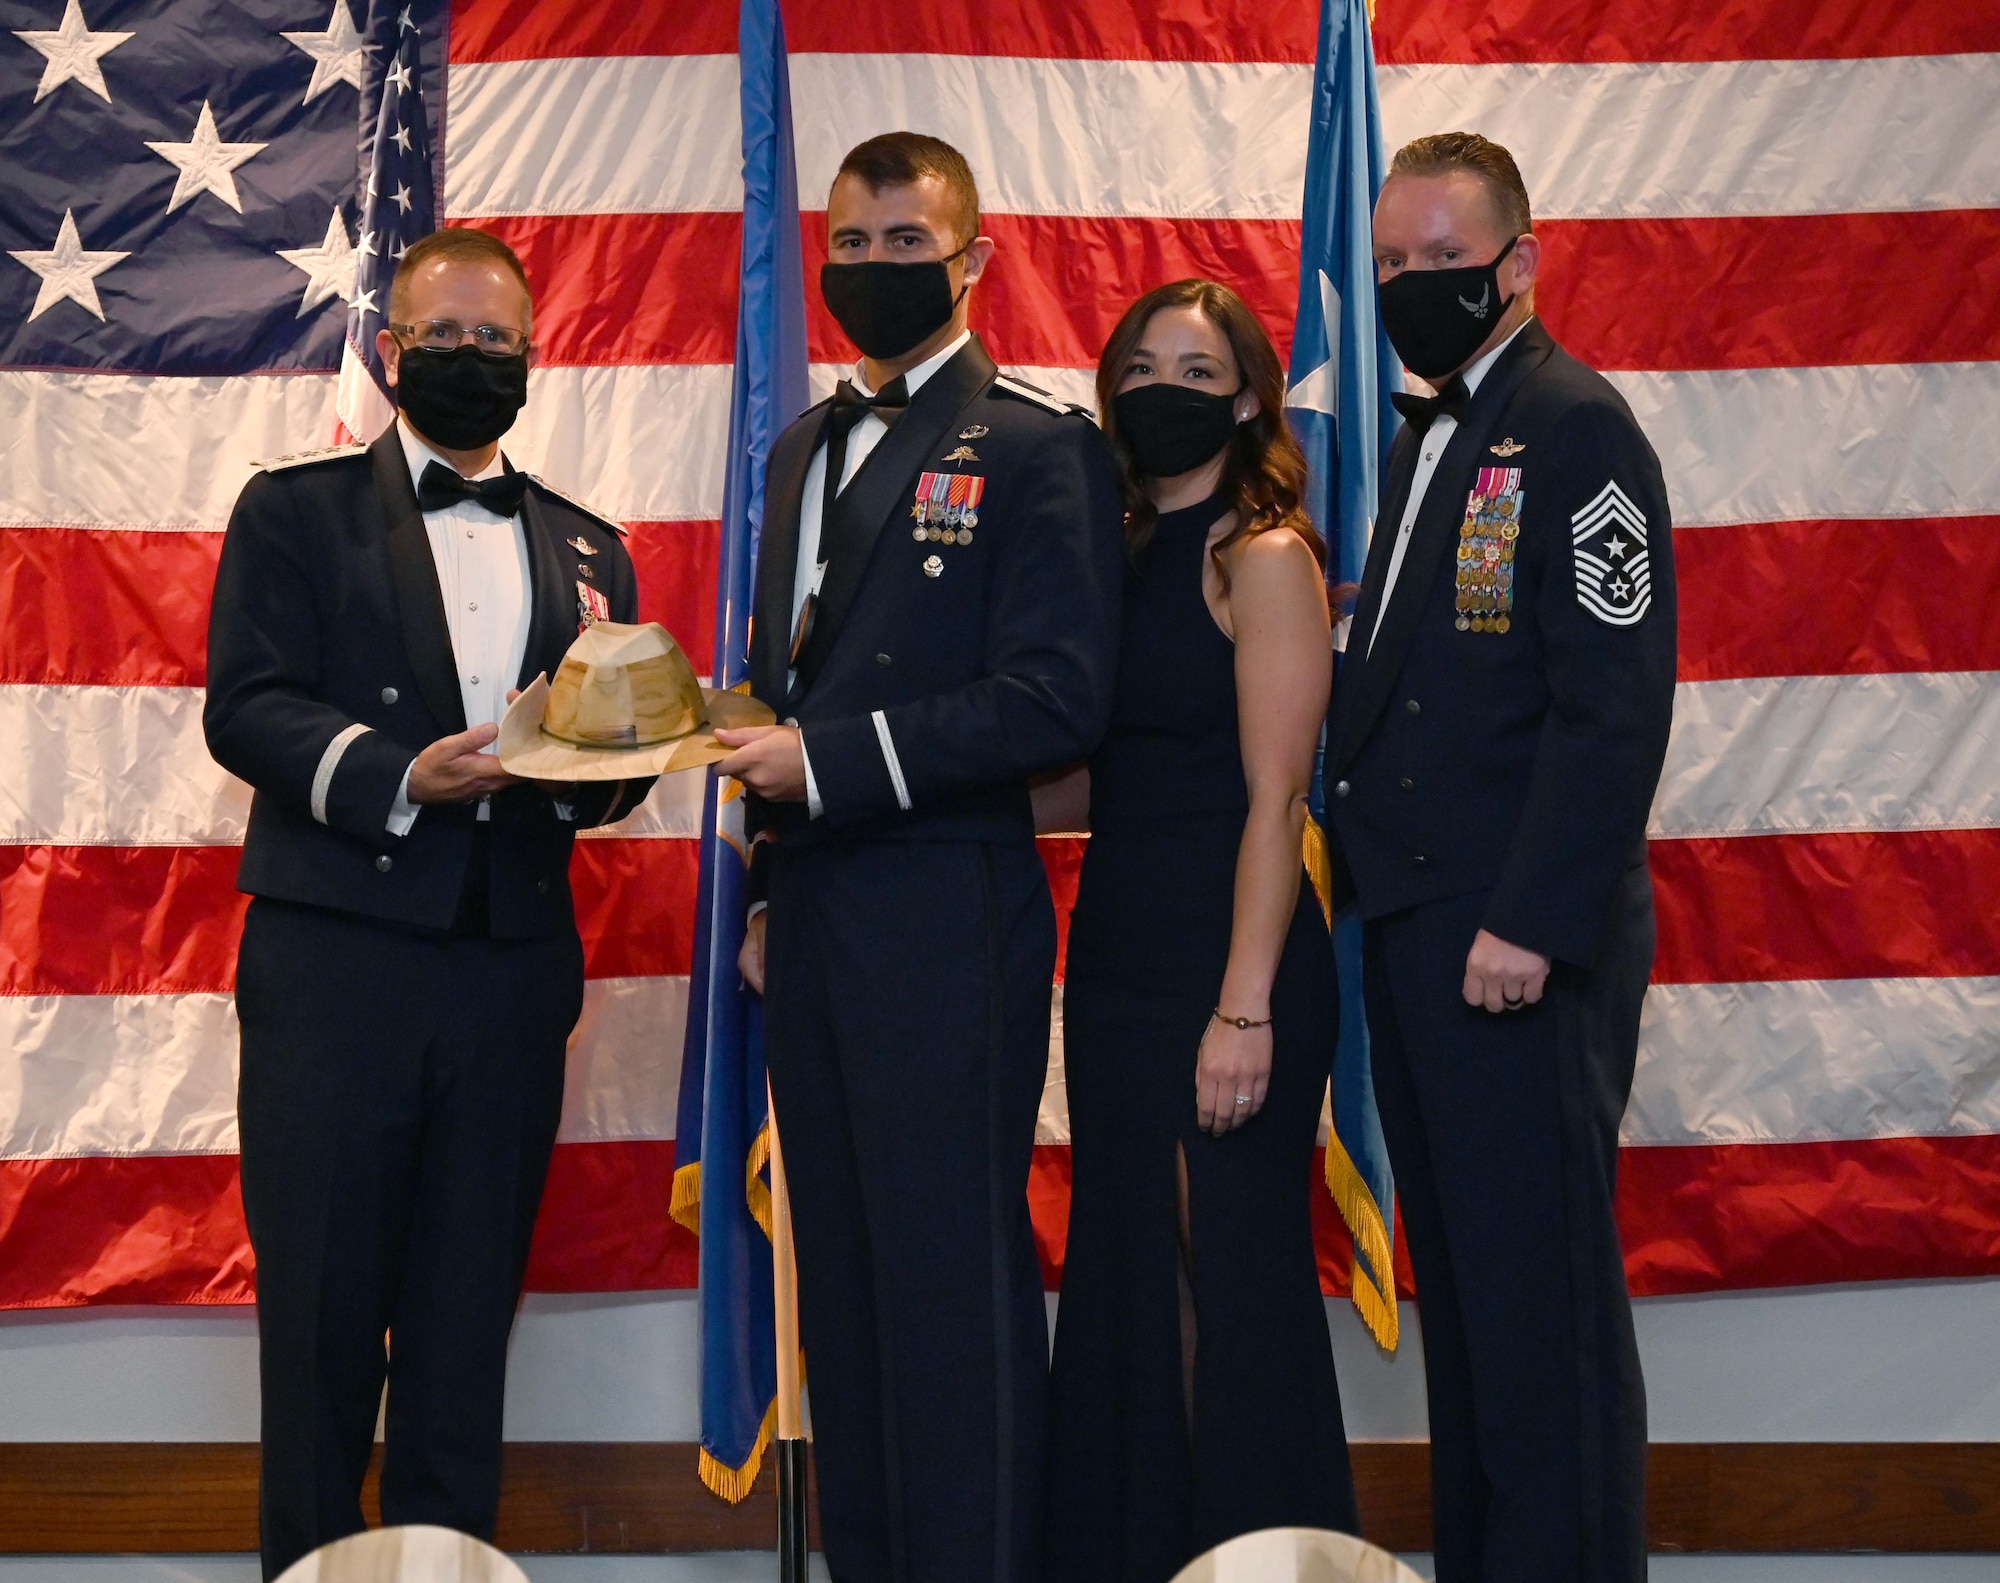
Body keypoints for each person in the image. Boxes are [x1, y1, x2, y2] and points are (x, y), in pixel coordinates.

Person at [204, 227, 655, 1579]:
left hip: (509, 981)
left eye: (495, 340)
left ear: (532, 356)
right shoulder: (293, 511)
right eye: (442, 337)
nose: (469, 358)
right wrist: (410, 775)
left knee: (463, 1330)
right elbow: (249, 709)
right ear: (392, 349)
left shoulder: (592, 549)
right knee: (327, 1329)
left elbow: (609, 771)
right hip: (334, 973)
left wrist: (590, 770)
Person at [716, 132, 1124, 1583]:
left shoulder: (1038, 444)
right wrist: (768, 874)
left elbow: (1057, 699)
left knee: (953, 1294)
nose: (875, 269)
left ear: (974, 259)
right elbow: (785, 686)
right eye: (854, 245)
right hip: (816, 913)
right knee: (856, 1294)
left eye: (907, 244)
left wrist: (823, 770)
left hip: (951, 906)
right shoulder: (798, 450)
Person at [1323, 132, 1677, 1582]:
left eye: (1446, 265)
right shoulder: (1433, 436)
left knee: (1547, 1333)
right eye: (1395, 264)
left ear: (1521, 264)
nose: (1415, 287)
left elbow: (1613, 703)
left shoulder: (1576, 427)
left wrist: (1531, 921)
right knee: (1472, 1316)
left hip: (1513, 942)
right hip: (1421, 930)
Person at [1039, 280, 1360, 1582]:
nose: (1164, 387)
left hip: (1236, 962)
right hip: (1115, 957)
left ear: (1243, 398)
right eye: (1142, 365)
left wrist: (1244, 1007)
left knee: (1226, 1287)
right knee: (1122, 1279)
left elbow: (1275, 793)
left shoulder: (1263, 556)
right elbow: (1093, 774)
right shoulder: (1101, 557)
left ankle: (1262, 1561)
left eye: (1196, 367)